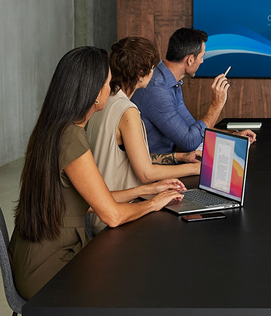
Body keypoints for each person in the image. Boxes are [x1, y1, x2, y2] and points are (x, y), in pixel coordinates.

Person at [9, 47, 188, 316]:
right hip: (49, 272)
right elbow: (112, 215)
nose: (111, 87)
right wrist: (153, 204)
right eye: (107, 83)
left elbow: (93, 201)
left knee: (150, 285)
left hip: (37, 256)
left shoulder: (56, 128)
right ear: (93, 94)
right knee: (158, 287)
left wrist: (146, 189)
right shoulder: (70, 139)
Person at [86, 36, 203, 232]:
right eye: (152, 67)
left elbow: (133, 158)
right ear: (141, 73)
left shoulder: (105, 101)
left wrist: (180, 156)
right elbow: (146, 173)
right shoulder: (127, 111)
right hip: (118, 213)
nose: (155, 72)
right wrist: (197, 169)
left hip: (99, 210)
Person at [131, 28, 256, 153]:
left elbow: (192, 128)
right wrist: (216, 104)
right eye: (202, 56)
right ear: (190, 60)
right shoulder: (158, 90)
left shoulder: (170, 80)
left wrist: (234, 135)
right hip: (156, 166)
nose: (202, 61)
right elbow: (189, 142)